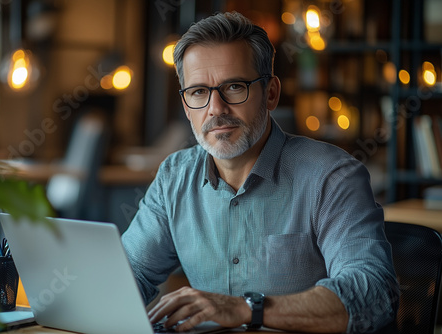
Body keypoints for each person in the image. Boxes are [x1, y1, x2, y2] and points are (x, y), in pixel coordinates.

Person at [121, 11, 399, 333]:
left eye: (235, 87)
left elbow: (374, 294)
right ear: (186, 106)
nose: (216, 109)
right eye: (198, 92)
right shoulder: (174, 176)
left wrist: (247, 309)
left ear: (270, 93)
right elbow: (131, 274)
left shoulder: (332, 177)